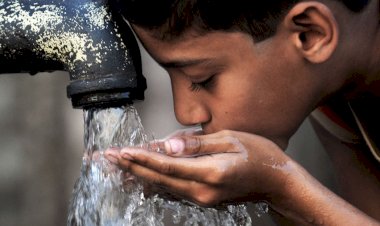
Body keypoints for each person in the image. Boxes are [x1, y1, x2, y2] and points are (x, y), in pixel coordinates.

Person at [105, 0, 380, 225]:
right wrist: (256, 187)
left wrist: (282, 188)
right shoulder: (333, 90)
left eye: (203, 79)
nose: (185, 113)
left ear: (311, 34)